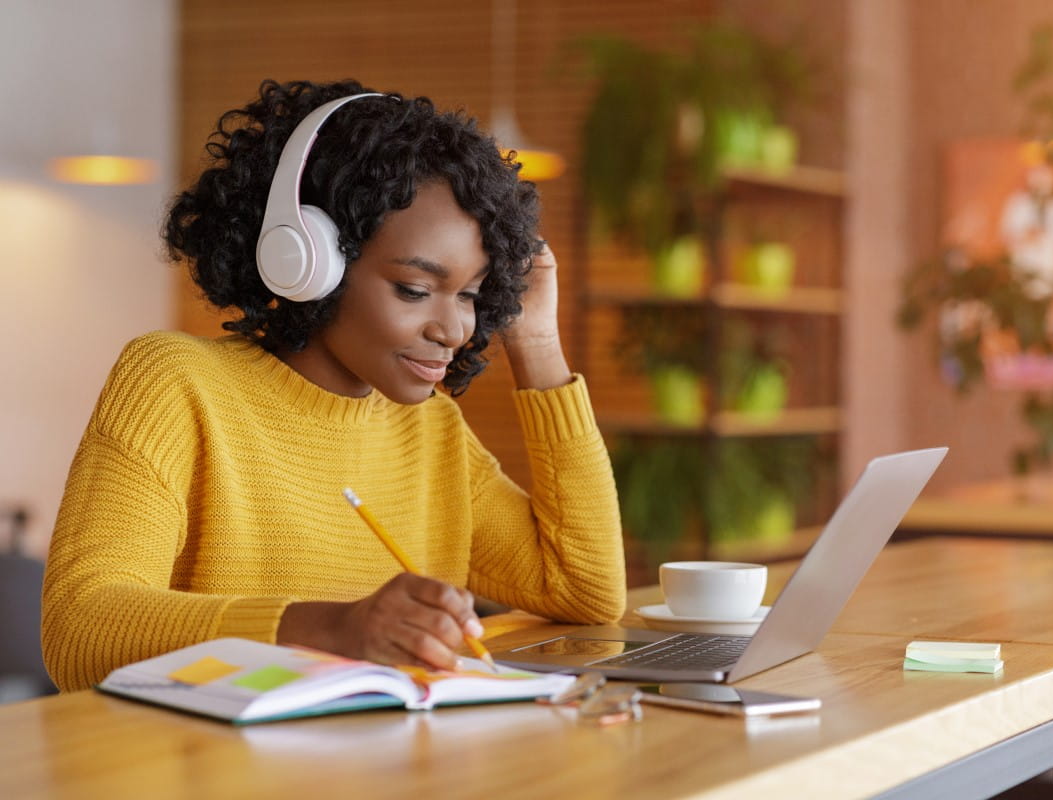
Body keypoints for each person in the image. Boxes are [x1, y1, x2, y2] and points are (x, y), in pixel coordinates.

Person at [41, 79, 626, 692]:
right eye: (415, 290)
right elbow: (80, 628)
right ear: (309, 260)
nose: (453, 328)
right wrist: (331, 630)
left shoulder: (430, 429)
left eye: (473, 296)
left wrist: (535, 341)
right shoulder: (174, 383)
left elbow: (585, 590)